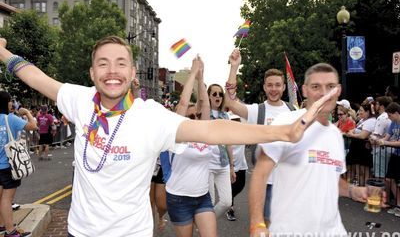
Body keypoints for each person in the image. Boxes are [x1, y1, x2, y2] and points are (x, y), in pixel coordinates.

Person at [0, 36, 337, 237]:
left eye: (121, 63)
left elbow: (214, 129)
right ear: (92, 73)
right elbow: (35, 76)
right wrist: (2, 52)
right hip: (81, 232)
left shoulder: (150, 117)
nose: (112, 71)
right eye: (103, 64)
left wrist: (282, 131)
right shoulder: (78, 99)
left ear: (133, 73)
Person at [248, 63, 373, 237]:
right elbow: (260, 174)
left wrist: (353, 191)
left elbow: (331, 178)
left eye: (330, 87)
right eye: (316, 87)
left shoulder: (335, 135)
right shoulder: (286, 122)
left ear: (338, 90)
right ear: (305, 90)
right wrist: (257, 224)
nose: (324, 93)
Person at [224, 48, 295, 226]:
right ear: (264, 87)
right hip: (266, 182)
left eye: (277, 85)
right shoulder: (258, 110)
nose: (274, 89)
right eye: (270, 85)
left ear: (284, 87)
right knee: (268, 224)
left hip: (291, 181)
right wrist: (234, 68)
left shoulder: (294, 111)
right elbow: (231, 103)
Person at [165, 56, 217, 236]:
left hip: (203, 196)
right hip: (179, 197)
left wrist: (201, 78)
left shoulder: (204, 132)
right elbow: (183, 104)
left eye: (197, 115)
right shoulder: (178, 135)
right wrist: (192, 72)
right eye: (190, 117)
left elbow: (206, 104)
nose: (195, 119)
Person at [0, 91, 37, 237]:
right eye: (10, 101)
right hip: (9, 166)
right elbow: (33, 126)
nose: (12, 104)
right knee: (7, 199)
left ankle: (2, 225)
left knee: (1, 197)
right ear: (5, 103)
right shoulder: (11, 119)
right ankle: (11, 232)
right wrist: (27, 112)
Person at [207, 83, 236, 219]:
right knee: (210, 202)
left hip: (223, 163)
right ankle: (206, 229)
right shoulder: (204, 115)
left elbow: (229, 142)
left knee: (226, 201)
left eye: (220, 94)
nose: (218, 96)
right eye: (214, 94)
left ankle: (207, 222)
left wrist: (232, 166)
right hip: (207, 164)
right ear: (209, 96)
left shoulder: (225, 116)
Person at [376, 102, 400, 216]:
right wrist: (379, 141)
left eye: (390, 115)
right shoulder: (393, 123)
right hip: (395, 154)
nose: (389, 118)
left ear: (396, 113)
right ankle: (398, 204)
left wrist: (384, 142)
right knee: (389, 179)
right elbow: (386, 137)